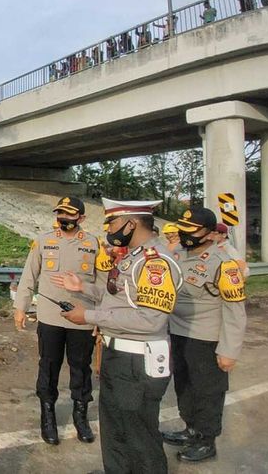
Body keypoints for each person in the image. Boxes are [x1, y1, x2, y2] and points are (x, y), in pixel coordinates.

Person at [52, 198, 183, 474]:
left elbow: (149, 319)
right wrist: (84, 288)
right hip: (119, 356)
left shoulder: (154, 263)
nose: (109, 228)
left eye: (112, 222)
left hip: (137, 360)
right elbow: (119, 300)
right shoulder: (133, 257)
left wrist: (87, 316)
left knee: (139, 434)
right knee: (115, 428)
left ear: (131, 223)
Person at [13, 196, 111, 445]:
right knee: (48, 366)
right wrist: (21, 307)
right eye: (61, 214)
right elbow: (28, 276)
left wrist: (101, 319)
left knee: (81, 368)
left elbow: (103, 284)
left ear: (81, 218)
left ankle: (81, 416)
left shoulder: (94, 244)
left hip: (82, 318)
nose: (64, 219)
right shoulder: (44, 241)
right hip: (50, 317)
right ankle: (48, 417)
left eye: (69, 214)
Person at [161, 208, 247, 462]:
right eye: (183, 229)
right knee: (184, 386)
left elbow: (235, 311)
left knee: (207, 391)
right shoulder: (175, 253)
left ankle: (207, 440)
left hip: (207, 338)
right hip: (177, 332)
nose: (185, 234)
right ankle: (191, 429)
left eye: (192, 230)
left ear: (210, 234)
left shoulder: (224, 264)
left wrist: (229, 351)